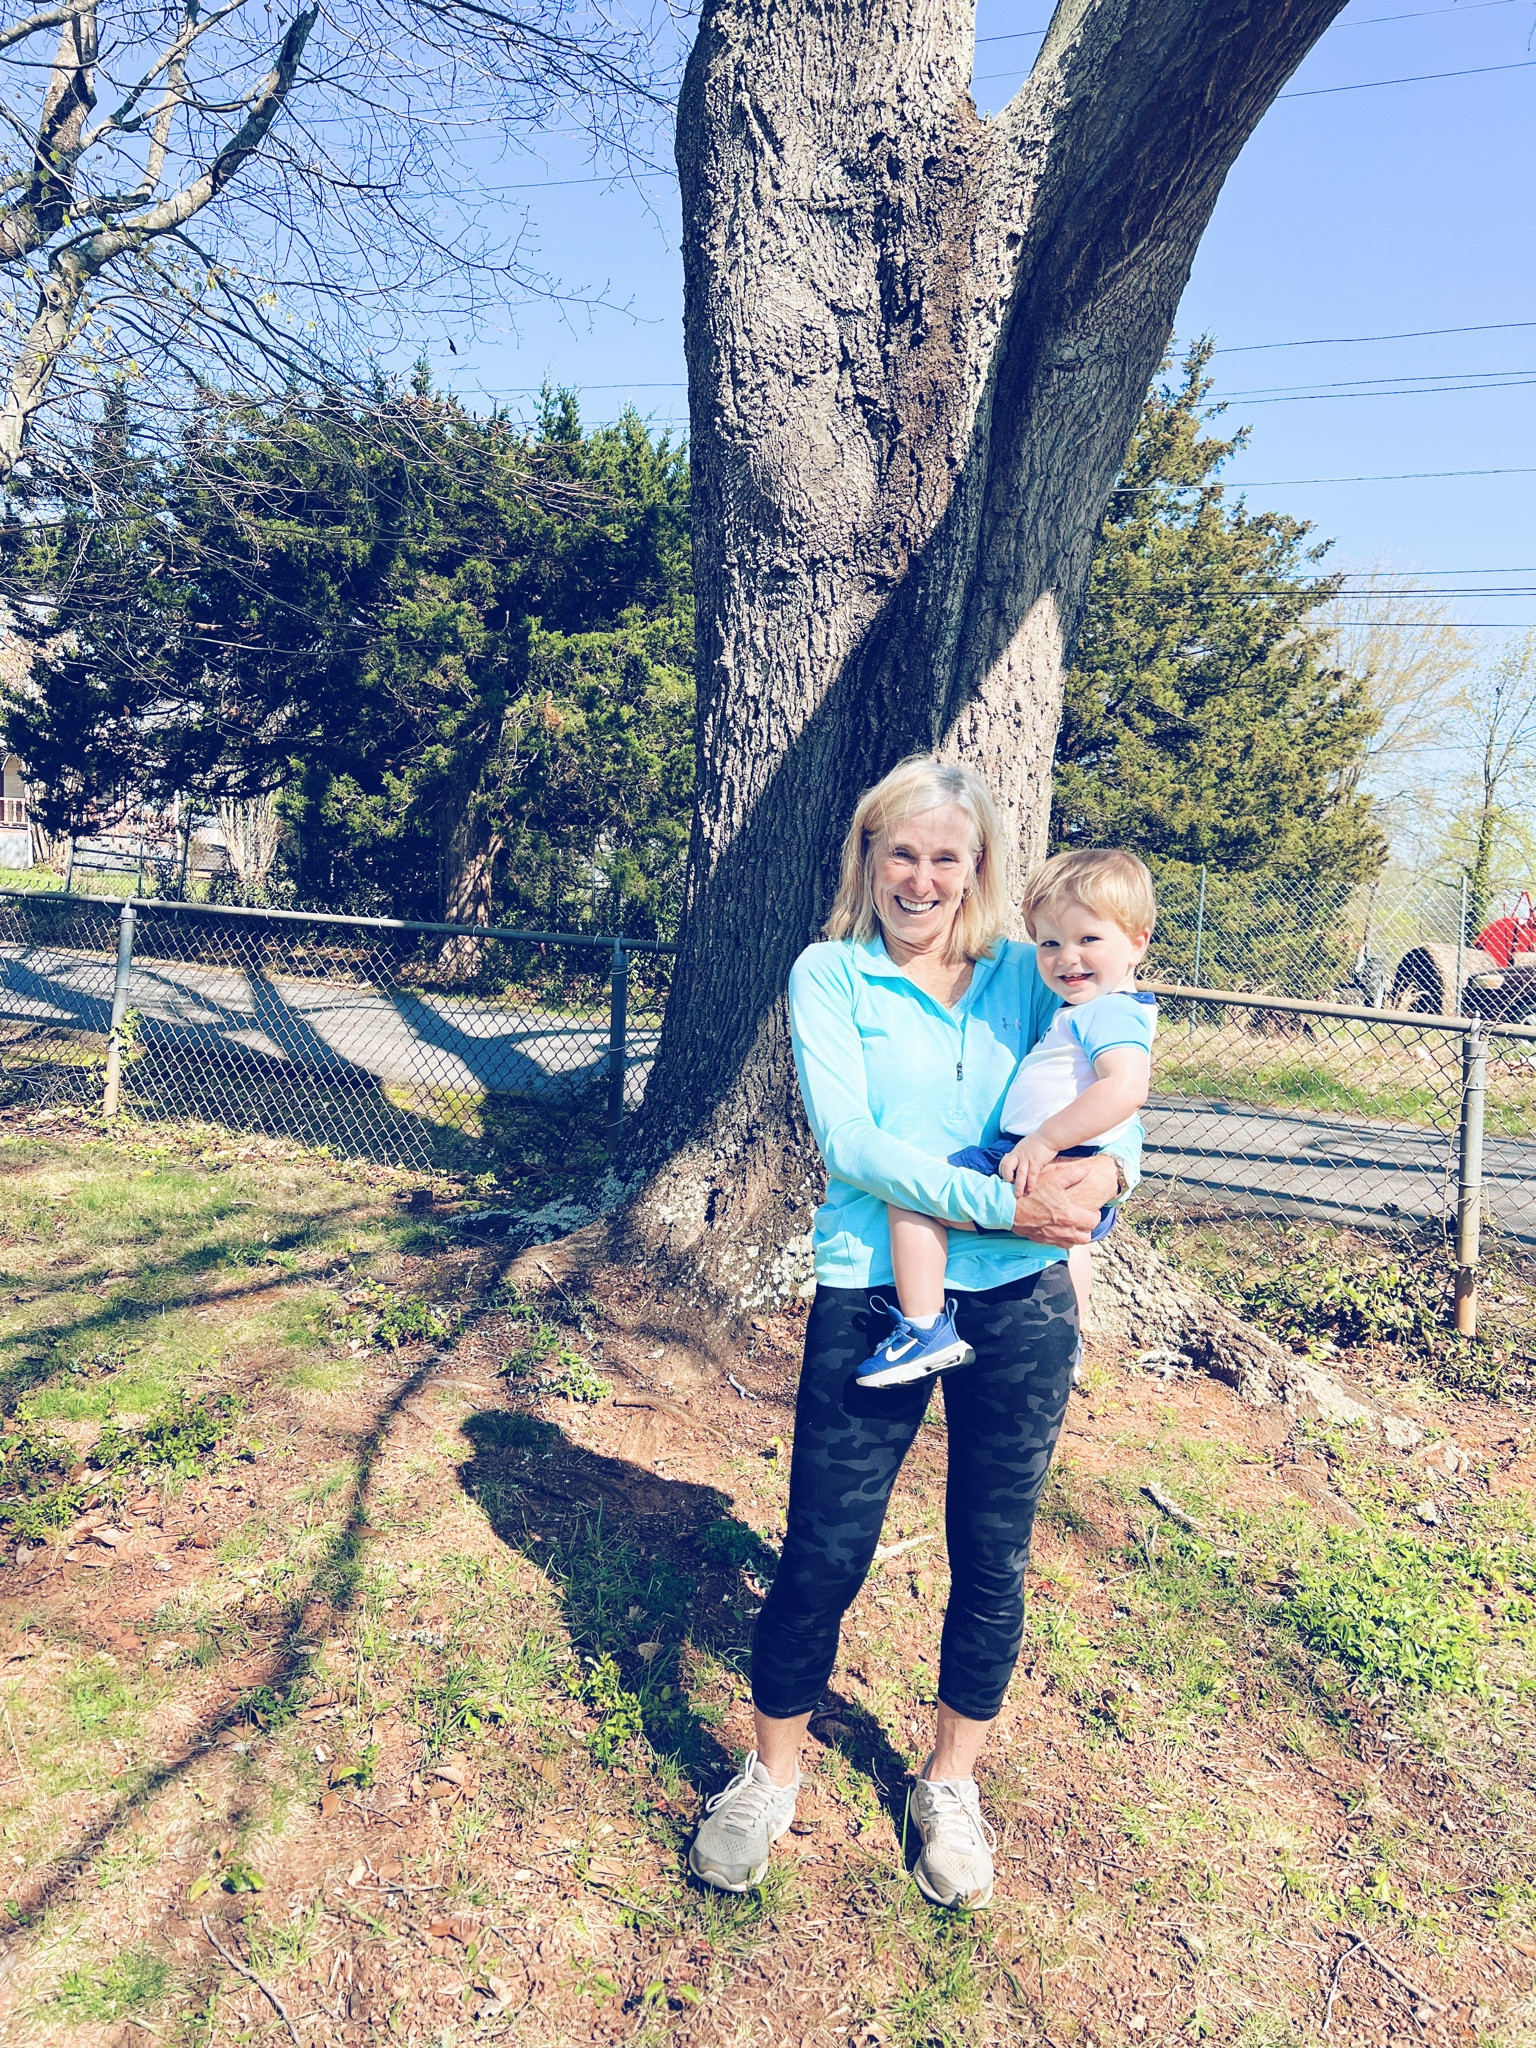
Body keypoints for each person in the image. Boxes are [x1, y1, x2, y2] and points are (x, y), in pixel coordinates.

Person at [686, 756, 1140, 1911]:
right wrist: (1008, 1201)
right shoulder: (828, 975)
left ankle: (948, 1783)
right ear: (869, 858)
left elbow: (1111, 1089)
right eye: (902, 851)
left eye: (948, 856)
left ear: (978, 868)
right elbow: (852, 1145)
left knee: (992, 1555)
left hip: (1025, 1299)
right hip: (878, 1288)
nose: (923, 877)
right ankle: (770, 1772)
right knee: (822, 1549)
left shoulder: (1028, 976)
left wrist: (1106, 1181)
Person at [859, 849, 1157, 1388]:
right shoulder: (1086, 1007)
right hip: (1062, 1157)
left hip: (1040, 1154)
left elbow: (1127, 1088)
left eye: (1089, 939)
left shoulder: (1110, 1010)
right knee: (1068, 1247)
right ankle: (1075, 1337)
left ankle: (925, 1330)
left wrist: (1043, 1142)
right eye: (1049, 942)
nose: (1068, 957)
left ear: (1137, 941)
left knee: (913, 1194)